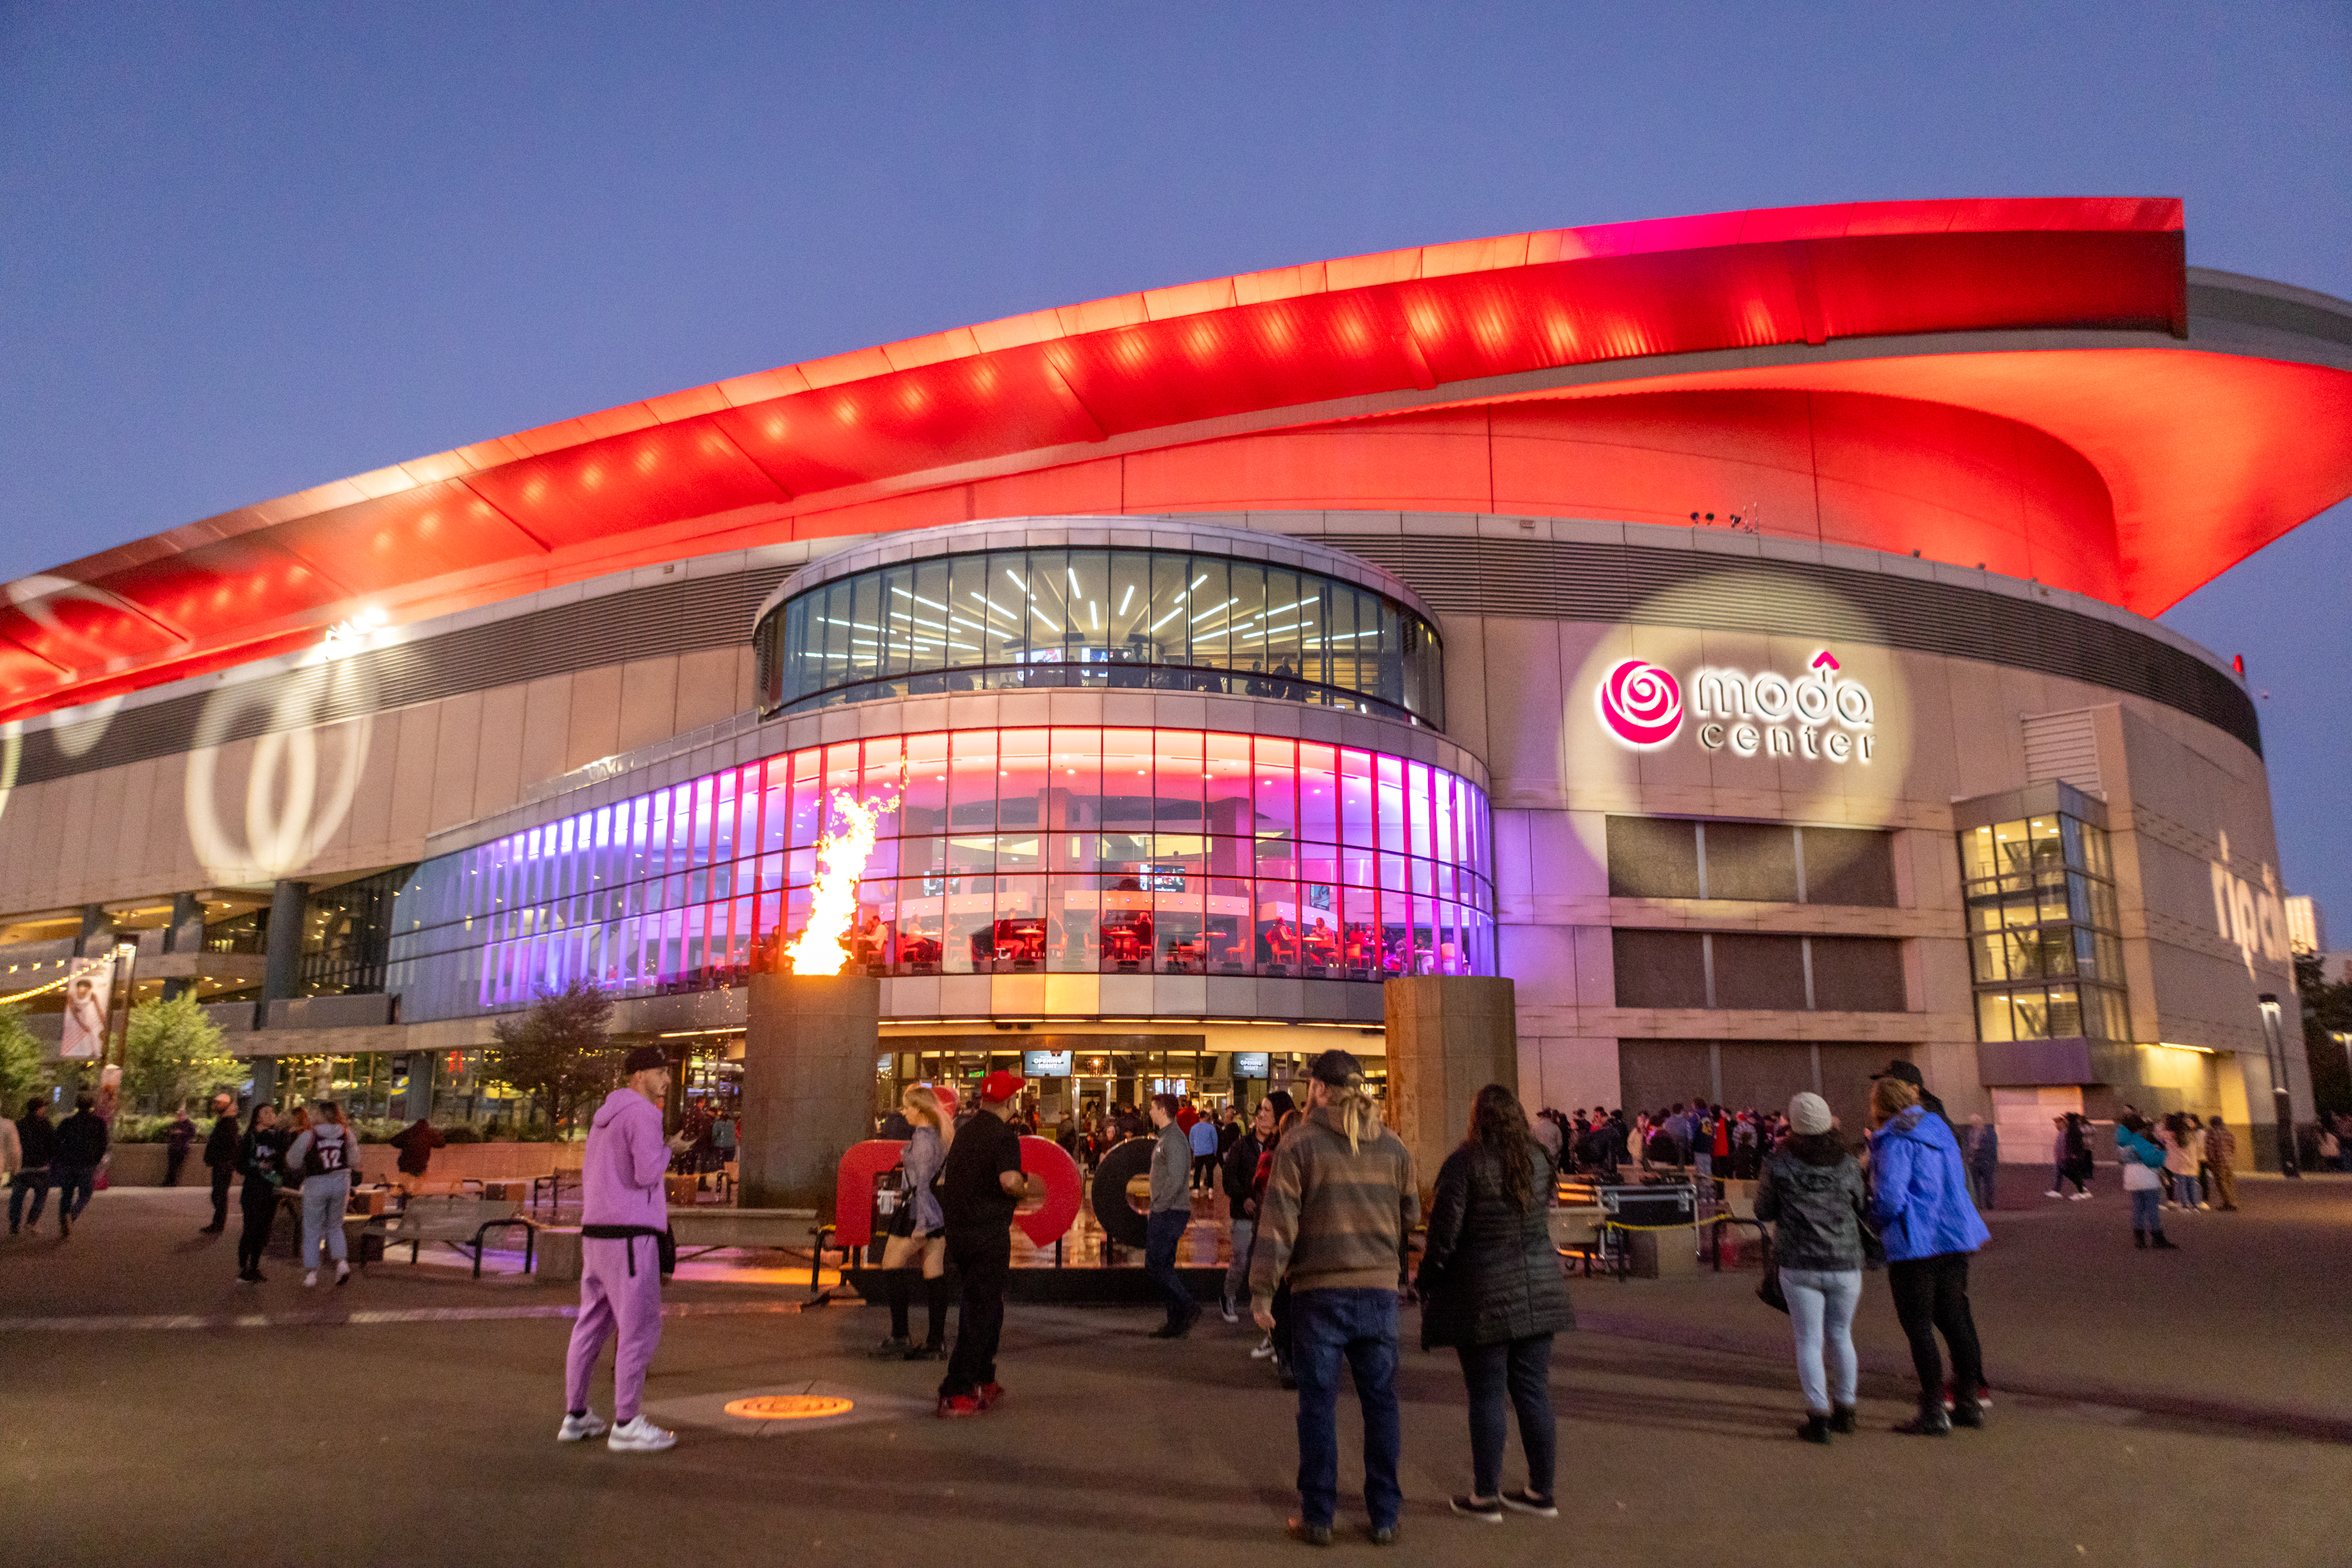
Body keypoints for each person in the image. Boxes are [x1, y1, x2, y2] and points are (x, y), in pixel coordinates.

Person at [1251, 1049, 1418, 1547]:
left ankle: (1319, 1515)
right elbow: (1411, 1215)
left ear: (1320, 1089)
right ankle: (1384, 1514)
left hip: (1319, 1294)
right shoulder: (1393, 1146)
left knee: (1318, 1406)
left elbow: (1279, 1226)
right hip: (1379, 1293)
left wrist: (1262, 1293)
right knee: (1380, 1404)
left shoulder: (1299, 1145)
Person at [1414, 1083, 1572, 1522]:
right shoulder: (1537, 1159)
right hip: (1541, 1291)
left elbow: (1444, 1235)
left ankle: (1486, 1496)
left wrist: (1425, 1280)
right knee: (1533, 1390)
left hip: (1484, 1295)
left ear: (1478, 1118)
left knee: (1486, 1394)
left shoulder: (1465, 1163)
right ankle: (1541, 1492)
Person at [562, 1045, 695, 1452]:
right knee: (638, 1327)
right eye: (661, 1072)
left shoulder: (605, 1116)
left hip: (596, 1232)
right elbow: (647, 1173)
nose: (667, 1080)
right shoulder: (644, 1113)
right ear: (640, 1076)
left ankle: (576, 1415)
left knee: (590, 1325)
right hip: (632, 1235)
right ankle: (627, 1423)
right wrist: (671, 1150)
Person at [1867, 1075, 1989, 1435]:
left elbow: (1890, 1197)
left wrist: (1874, 1220)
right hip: (1953, 1236)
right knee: (1955, 1321)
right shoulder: (1939, 1130)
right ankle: (1968, 1402)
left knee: (1918, 1327)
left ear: (1880, 1107)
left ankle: (1934, 1409)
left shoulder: (1895, 1138)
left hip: (1915, 1242)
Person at [1755, 1092, 1870, 1444]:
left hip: (1799, 1262)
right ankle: (1846, 1409)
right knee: (1841, 1335)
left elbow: (1763, 1211)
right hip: (1845, 1260)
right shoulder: (1848, 1163)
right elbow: (1860, 1204)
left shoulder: (1778, 1163)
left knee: (1809, 1340)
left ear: (1793, 1125)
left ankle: (1818, 1417)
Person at [935, 1068, 1028, 1418]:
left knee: (988, 1306)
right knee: (980, 1310)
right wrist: (1024, 1188)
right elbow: (1009, 1182)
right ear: (1010, 1102)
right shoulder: (1005, 1137)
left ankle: (984, 1375)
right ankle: (956, 1389)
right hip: (987, 1234)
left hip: (959, 1232)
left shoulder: (965, 1131)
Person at [872, 1084, 954, 1362]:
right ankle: (935, 1342)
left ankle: (900, 1335)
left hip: (919, 1211)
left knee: (891, 1265)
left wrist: (920, 1224)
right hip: (937, 1210)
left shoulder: (922, 1138)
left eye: (907, 1106)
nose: (903, 1111)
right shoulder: (940, 1136)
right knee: (934, 1272)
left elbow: (921, 1186)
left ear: (919, 1110)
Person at [283, 1100, 359, 1285]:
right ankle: (342, 1263)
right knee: (335, 1226)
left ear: (322, 1114)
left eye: (315, 1112)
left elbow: (292, 1161)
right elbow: (354, 1161)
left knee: (312, 1228)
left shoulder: (310, 1135)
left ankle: (311, 1273)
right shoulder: (347, 1134)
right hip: (341, 1182)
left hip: (316, 1183)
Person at [1145, 1092, 1200, 1338]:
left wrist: (1159, 1206)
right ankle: (1176, 1321)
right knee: (1163, 1265)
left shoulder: (1174, 1140)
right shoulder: (1166, 1137)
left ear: (1162, 1110)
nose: (1149, 1112)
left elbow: (1177, 1180)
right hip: (1167, 1210)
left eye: (1152, 1108)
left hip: (1169, 1212)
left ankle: (1187, 1305)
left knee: (1155, 1265)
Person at [1220, 1098, 1272, 1324]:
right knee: (1240, 1259)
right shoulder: (1241, 1146)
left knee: (1265, 1262)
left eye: (1268, 1116)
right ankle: (1228, 1295)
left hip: (1268, 1214)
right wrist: (1244, 1198)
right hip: (1244, 1213)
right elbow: (1229, 1178)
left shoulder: (1277, 1147)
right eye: (1260, 1116)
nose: (1263, 1120)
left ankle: (1262, 1305)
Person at [235, 1103, 285, 1283]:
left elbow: (282, 1161)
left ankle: (255, 1266)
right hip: (253, 1190)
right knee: (251, 1229)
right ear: (257, 1117)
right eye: (266, 1112)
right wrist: (257, 1167)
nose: (272, 1115)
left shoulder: (275, 1138)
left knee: (264, 1231)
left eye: (273, 1112)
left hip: (270, 1191)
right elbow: (240, 1165)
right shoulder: (250, 1138)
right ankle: (244, 1268)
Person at [2115, 1114, 2178, 1251]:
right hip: (2145, 1175)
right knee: (2152, 1207)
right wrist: (2163, 1154)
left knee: (2138, 1207)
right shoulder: (2138, 1139)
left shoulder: (2123, 1140)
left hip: (2131, 1175)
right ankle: (2157, 1238)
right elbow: (2151, 1158)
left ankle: (2140, 1239)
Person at [50, 1092, 109, 1239]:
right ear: (91, 1106)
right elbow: (103, 1144)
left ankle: (64, 1218)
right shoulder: (98, 1123)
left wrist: (61, 1157)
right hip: (86, 1163)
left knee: (66, 1194)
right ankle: (73, 1214)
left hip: (68, 1163)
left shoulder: (67, 1122)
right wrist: (96, 1160)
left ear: (77, 1106)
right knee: (86, 1193)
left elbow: (56, 1141)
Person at [9, 1099, 51, 1235]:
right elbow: (53, 1144)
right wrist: (49, 1158)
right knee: (41, 1196)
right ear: (38, 1110)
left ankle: (15, 1224)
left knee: (18, 1196)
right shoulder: (45, 1125)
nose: (44, 1110)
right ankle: (31, 1222)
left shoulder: (19, 1125)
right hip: (41, 1168)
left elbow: (14, 1146)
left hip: (23, 1167)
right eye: (42, 1108)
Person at [1872, 1059, 1951, 1130]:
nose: (1884, 1092)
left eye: (1891, 1086)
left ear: (1914, 1090)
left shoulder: (1925, 1117)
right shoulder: (1928, 1116)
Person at [200, 1092, 240, 1231]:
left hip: (224, 1164)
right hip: (221, 1163)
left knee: (219, 1194)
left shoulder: (228, 1123)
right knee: (218, 1194)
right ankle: (218, 1223)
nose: (216, 1105)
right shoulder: (224, 1121)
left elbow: (227, 1144)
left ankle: (218, 1224)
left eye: (219, 1103)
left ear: (225, 1105)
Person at [389, 1117, 446, 1193]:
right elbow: (441, 1144)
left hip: (405, 1162)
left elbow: (394, 1141)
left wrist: (405, 1145)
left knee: (404, 1181)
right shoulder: (429, 1134)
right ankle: (415, 1193)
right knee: (419, 1179)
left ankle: (403, 1194)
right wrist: (439, 1135)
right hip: (420, 1163)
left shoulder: (408, 1132)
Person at [2048, 1113, 2093, 1199]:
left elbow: (2069, 1145)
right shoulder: (2067, 1131)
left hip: (2069, 1157)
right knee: (2070, 1174)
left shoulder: (2070, 1131)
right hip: (2066, 1157)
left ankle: (2082, 1191)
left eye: (2058, 1122)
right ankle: (2081, 1190)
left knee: (2073, 1174)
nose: (2056, 1125)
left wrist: (2070, 1156)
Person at [1964, 1115, 1999, 1212]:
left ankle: (1989, 1203)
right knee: (1976, 1184)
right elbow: (1969, 1146)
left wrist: (1980, 1147)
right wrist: (1970, 1156)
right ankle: (1978, 1203)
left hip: (1986, 1161)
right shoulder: (1972, 1132)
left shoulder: (1989, 1133)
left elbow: (1992, 1147)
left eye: (1974, 1122)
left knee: (1988, 1183)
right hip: (1975, 1161)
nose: (1973, 1124)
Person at [2203, 1117, 2239, 1211]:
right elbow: (2233, 1147)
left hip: (2218, 1162)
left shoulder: (2212, 1134)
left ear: (2212, 1124)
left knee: (2221, 1183)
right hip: (2228, 1161)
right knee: (2229, 1182)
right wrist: (2230, 1157)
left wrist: (2210, 1161)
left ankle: (2229, 1203)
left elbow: (2209, 1148)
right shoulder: (2228, 1133)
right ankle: (2232, 1202)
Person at [1188, 1104, 1220, 1193]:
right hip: (1209, 1152)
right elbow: (1215, 1140)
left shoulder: (1193, 1128)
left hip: (1198, 1153)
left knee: (1197, 1171)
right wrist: (1215, 1151)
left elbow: (1191, 1141)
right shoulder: (1211, 1128)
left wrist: (1195, 1149)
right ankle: (1210, 1188)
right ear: (1205, 1117)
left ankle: (1196, 1188)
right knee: (1209, 1171)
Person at [163, 1106, 197, 1188]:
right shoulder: (175, 1124)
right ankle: (170, 1182)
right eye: (178, 1115)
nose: (179, 1117)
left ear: (185, 1115)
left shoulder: (189, 1125)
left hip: (182, 1148)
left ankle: (171, 1182)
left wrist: (182, 1133)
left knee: (175, 1166)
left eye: (181, 1115)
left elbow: (192, 1135)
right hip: (173, 1148)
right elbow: (169, 1134)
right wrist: (174, 1133)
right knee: (171, 1166)